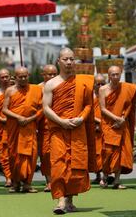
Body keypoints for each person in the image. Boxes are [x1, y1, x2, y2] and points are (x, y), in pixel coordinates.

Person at [43, 48, 94, 214]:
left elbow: (88, 104)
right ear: (59, 61)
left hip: (77, 129)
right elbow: (46, 108)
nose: (69, 62)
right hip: (59, 131)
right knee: (58, 165)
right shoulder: (51, 84)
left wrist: (82, 118)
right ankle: (61, 201)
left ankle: (70, 201)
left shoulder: (83, 82)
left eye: (72, 59)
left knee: (75, 166)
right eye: (66, 59)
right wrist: (61, 121)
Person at [3, 66, 43, 193]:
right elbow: (5, 109)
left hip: (30, 127)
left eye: (26, 76)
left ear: (29, 75)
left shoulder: (36, 89)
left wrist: (30, 119)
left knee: (31, 155)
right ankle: (15, 183)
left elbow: (42, 108)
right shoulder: (10, 91)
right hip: (15, 127)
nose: (24, 79)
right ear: (15, 77)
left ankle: (27, 184)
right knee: (14, 156)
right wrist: (19, 117)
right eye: (21, 77)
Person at [99, 66, 136, 189]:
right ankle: (104, 177)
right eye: (113, 74)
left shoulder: (126, 88)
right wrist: (116, 119)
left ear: (121, 74)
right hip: (109, 124)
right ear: (108, 76)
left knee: (120, 151)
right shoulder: (103, 89)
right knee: (108, 151)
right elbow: (103, 109)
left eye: (117, 74)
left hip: (121, 123)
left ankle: (116, 180)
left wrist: (122, 119)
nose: (115, 77)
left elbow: (129, 105)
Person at [38, 64, 58, 192]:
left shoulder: (61, 85)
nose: (51, 76)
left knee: (58, 154)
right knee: (45, 154)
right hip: (44, 125)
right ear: (43, 75)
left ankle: (58, 180)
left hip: (59, 124)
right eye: (49, 74)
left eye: (54, 74)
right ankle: (49, 181)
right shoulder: (37, 88)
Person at [92, 74, 106, 184]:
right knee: (96, 152)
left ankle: (104, 176)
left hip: (106, 127)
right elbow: (87, 112)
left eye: (103, 84)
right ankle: (97, 175)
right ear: (93, 85)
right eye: (98, 84)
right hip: (94, 128)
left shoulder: (108, 95)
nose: (100, 86)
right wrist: (97, 121)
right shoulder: (90, 97)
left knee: (105, 151)